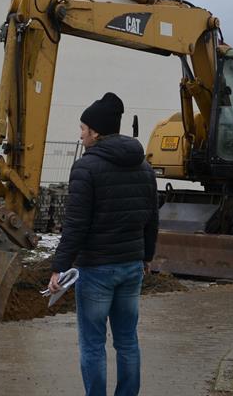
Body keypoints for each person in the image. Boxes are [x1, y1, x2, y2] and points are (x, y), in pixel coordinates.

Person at [49, 92, 159, 396]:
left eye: (83, 128)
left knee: (93, 344)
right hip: (131, 267)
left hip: (97, 270)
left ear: (95, 132)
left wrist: (59, 266)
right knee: (127, 341)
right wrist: (146, 255)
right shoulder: (144, 168)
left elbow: (76, 224)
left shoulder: (86, 168)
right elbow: (152, 218)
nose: (80, 134)